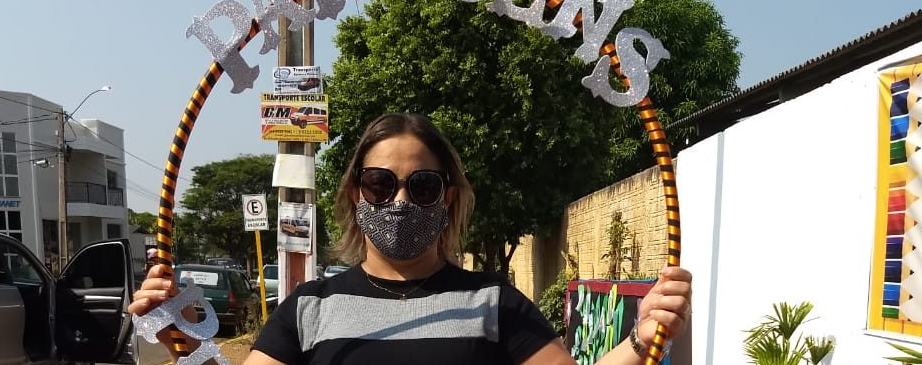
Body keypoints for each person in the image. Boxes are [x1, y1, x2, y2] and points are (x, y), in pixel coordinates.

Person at [130, 113, 692, 364]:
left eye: (422, 186)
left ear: (447, 197)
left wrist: (643, 338)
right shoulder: (309, 309)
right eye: (381, 183)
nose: (400, 201)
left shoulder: (493, 303)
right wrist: (178, 333)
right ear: (356, 193)